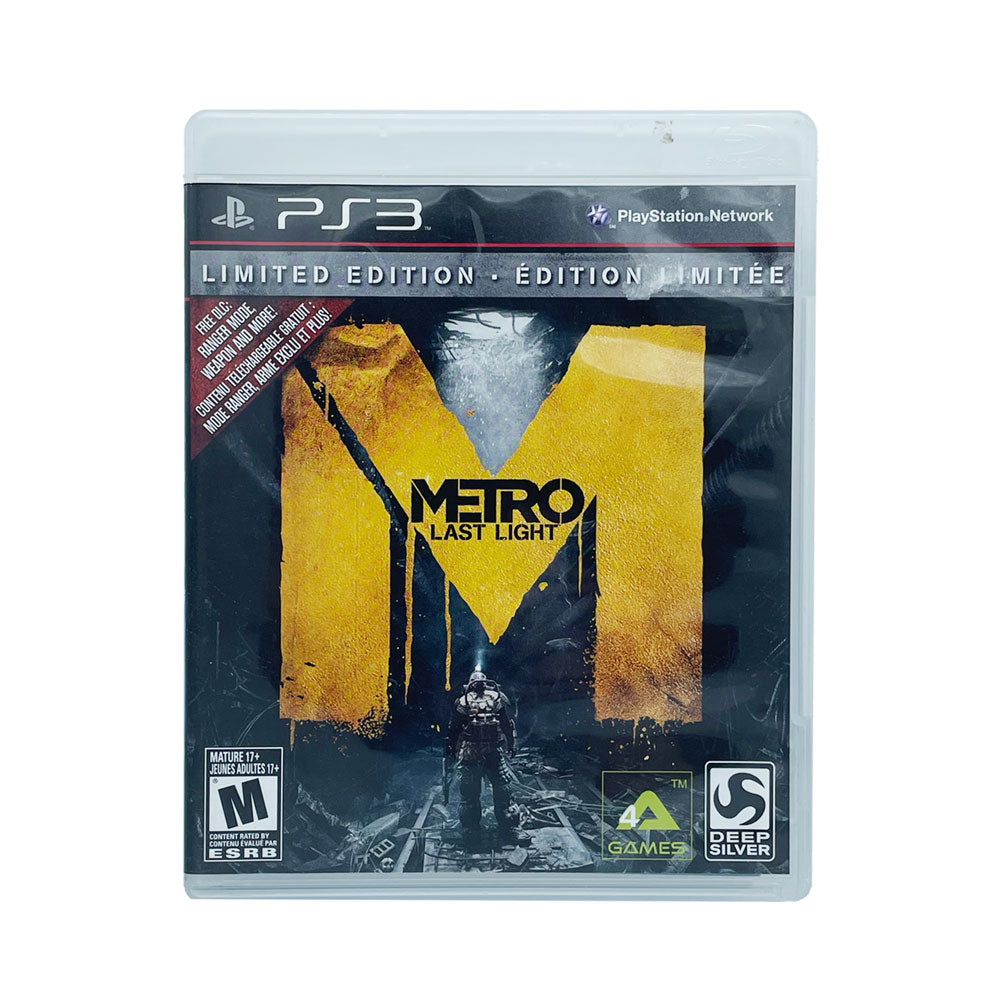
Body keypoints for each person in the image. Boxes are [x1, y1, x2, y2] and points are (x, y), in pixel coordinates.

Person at [446, 668, 518, 842]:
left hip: (479, 751)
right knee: (476, 793)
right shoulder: (493, 698)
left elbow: (454, 729)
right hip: (481, 751)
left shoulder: (466, 700)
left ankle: (490, 830)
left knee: (498, 790)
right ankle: (477, 830)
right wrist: (511, 743)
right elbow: (506, 724)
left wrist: (451, 749)